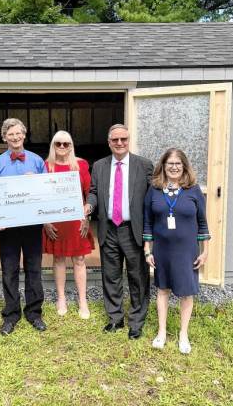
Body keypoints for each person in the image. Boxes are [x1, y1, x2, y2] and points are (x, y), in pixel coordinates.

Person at [85, 123, 154, 340]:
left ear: (128, 140)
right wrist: (89, 205)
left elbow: (153, 198)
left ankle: (136, 322)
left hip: (133, 230)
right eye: (115, 140)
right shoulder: (99, 166)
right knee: (111, 276)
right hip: (109, 229)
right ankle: (115, 318)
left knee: (138, 277)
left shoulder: (144, 165)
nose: (119, 143)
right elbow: (94, 192)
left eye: (123, 139)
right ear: (109, 142)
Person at [143, 148, 210, 354]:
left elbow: (202, 224)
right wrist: (147, 250)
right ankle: (162, 332)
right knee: (162, 289)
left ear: (184, 166)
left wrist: (205, 251)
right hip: (162, 250)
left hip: (187, 251)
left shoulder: (193, 190)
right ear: (163, 166)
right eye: (169, 163)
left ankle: (183, 334)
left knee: (186, 292)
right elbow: (147, 222)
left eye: (178, 164)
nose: (173, 167)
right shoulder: (154, 190)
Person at [0, 118, 48, 335]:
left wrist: (37, 183)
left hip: (32, 225)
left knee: (34, 269)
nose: (15, 137)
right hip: (8, 228)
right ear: (4, 137)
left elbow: (47, 194)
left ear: (24, 135)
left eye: (18, 133)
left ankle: (34, 313)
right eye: (10, 134)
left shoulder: (37, 161)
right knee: (9, 271)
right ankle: (11, 315)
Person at [43, 131, 95, 319]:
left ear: (72, 145)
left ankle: (82, 300)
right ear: (53, 145)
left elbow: (90, 192)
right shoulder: (46, 166)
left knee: (79, 260)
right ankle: (61, 298)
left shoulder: (80, 165)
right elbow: (40, 196)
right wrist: (45, 221)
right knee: (58, 259)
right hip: (54, 221)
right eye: (58, 144)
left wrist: (86, 216)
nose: (62, 147)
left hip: (76, 221)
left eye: (66, 144)